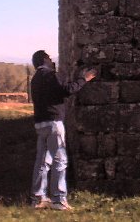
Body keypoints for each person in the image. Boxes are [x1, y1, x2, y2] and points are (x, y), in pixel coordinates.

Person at [30, 49, 96, 210]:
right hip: (53, 122)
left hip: (40, 123)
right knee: (60, 160)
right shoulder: (51, 75)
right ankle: (59, 200)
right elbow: (67, 90)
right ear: (44, 60)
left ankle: (38, 198)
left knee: (43, 162)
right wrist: (84, 79)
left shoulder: (35, 79)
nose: (52, 61)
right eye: (49, 58)